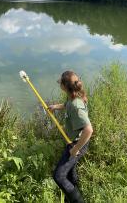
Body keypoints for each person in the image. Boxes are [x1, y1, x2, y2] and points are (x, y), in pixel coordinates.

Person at [48, 71, 93, 203]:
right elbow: (67, 105)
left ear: (64, 86)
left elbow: (89, 130)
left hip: (78, 144)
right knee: (69, 171)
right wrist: (55, 107)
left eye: (60, 82)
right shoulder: (73, 96)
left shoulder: (76, 105)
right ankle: (72, 195)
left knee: (59, 176)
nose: (59, 83)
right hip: (74, 142)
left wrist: (75, 149)